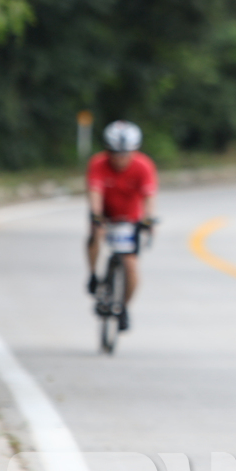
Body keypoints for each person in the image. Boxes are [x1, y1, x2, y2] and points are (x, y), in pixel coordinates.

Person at [85, 120, 158, 330]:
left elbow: (149, 198)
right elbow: (95, 193)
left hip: (130, 217)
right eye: (115, 153)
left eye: (125, 154)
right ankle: (92, 274)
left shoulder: (143, 166)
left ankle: (124, 307)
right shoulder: (98, 164)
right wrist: (96, 216)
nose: (120, 159)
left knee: (131, 266)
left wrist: (149, 220)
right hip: (106, 213)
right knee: (95, 233)